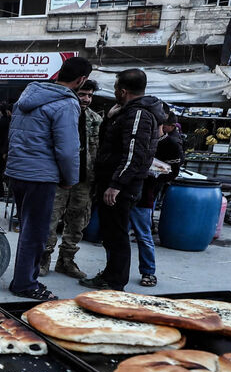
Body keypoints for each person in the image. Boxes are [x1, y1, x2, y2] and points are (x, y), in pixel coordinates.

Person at [3, 56, 91, 301]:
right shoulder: (66, 103)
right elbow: (67, 149)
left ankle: (24, 278)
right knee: (37, 233)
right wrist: (70, 179)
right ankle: (25, 284)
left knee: (28, 229)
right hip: (40, 176)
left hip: (17, 172)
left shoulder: (27, 96)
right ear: (81, 80)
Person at [82, 68, 163, 292]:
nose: (115, 91)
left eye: (117, 88)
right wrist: (110, 118)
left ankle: (116, 283)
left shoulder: (139, 114)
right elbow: (113, 143)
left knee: (117, 235)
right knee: (110, 234)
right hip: (113, 182)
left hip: (121, 187)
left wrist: (116, 185)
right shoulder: (127, 112)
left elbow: (134, 154)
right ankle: (110, 275)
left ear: (123, 90)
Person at [41, 78, 103, 279]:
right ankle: (43, 259)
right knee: (49, 220)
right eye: (82, 94)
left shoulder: (96, 120)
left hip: (84, 180)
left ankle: (66, 261)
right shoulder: (60, 114)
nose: (86, 99)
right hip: (58, 178)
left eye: (90, 95)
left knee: (78, 222)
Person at [130, 113, 184, 288]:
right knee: (118, 236)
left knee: (144, 236)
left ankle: (148, 272)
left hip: (145, 195)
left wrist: (152, 171)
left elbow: (172, 173)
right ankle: (113, 270)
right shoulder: (136, 140)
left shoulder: (171, 145)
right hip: (123, 193)